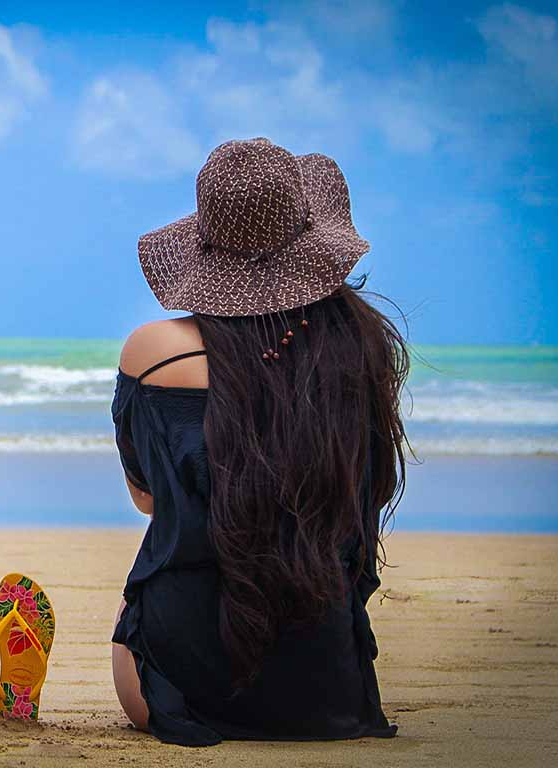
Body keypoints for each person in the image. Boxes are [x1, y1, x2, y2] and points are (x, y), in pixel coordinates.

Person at [110, 137, 408, 746]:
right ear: (309, 241)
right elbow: (366, 499)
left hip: (180, 681)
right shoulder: (358, 346)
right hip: (326, 685)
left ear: (205, 247)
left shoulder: (153, 353)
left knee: (141, 610)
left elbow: (148, 500)